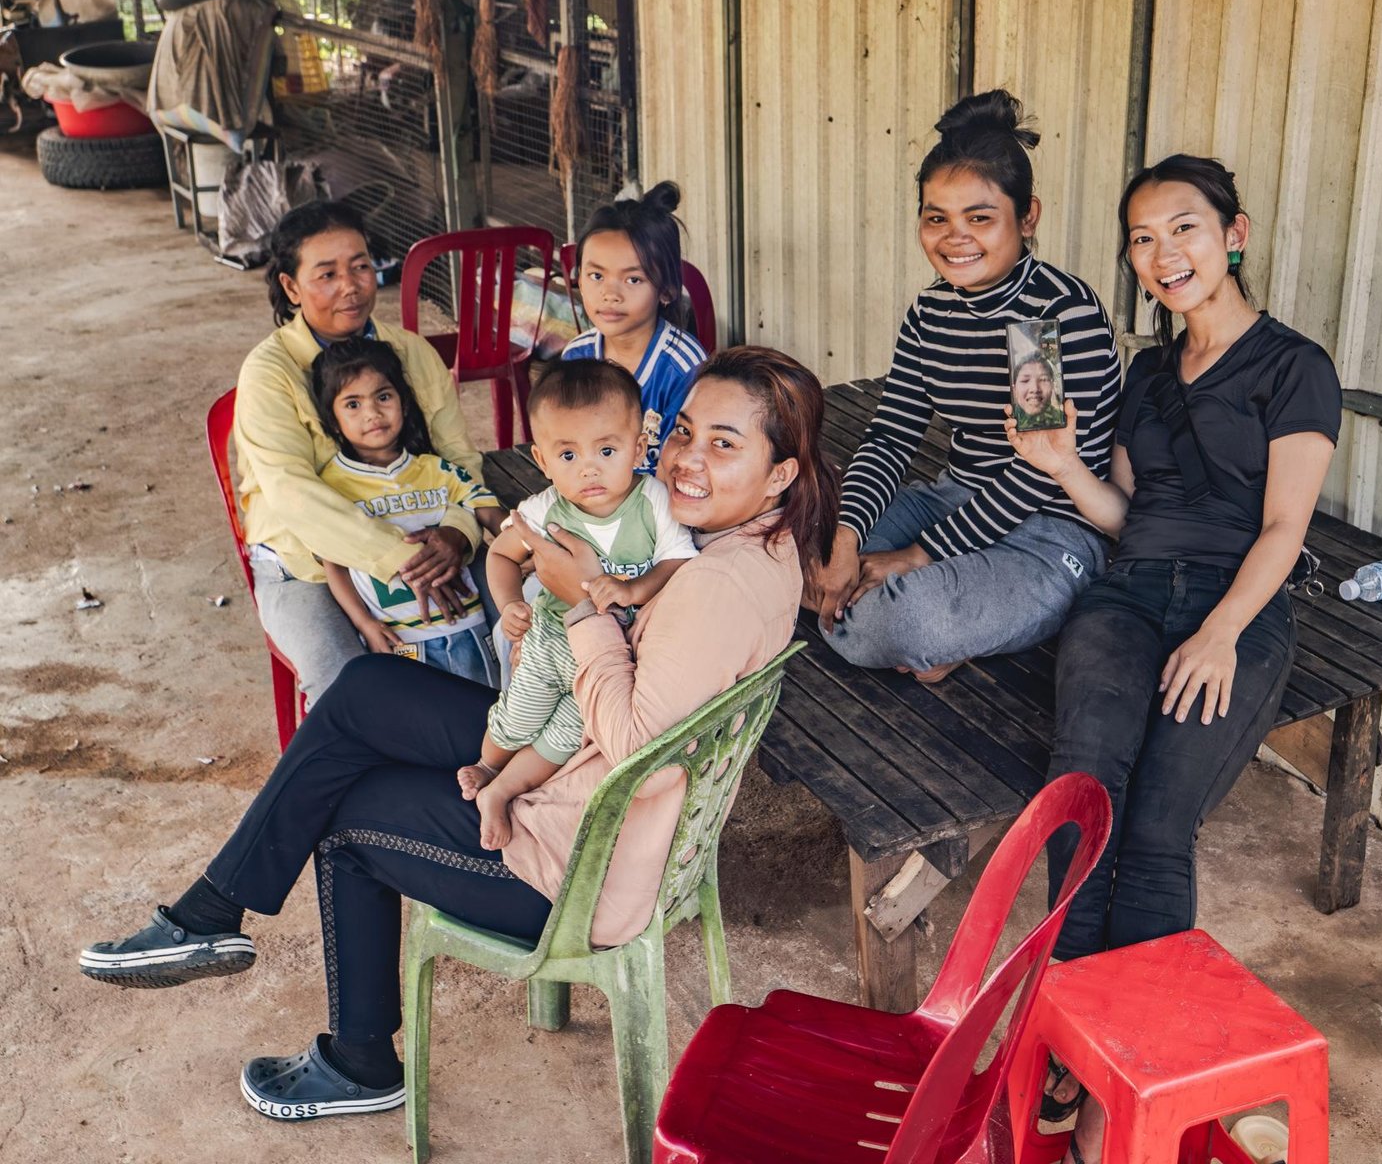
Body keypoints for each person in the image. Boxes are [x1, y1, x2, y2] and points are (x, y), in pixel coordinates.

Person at [78, 346, 840, 1123]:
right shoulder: (751, 542)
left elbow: (638, 750)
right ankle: (209, 913)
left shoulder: (718, 584)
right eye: (682, 431)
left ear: (781, 473)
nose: (687, 460)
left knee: (343, 814)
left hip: (577, 856)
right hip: (572, 763)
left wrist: (581, 609)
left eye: (724, 444)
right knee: (368, 689)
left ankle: (359, 1061)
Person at [1009, 155, 1341, 1163]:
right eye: (1143, 239)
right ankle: (1074, 1049)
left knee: (1156, 829)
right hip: (1126, 599)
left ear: (1232, 235)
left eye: (1184, 229)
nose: (1164, 255)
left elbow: (1284, 528)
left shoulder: (1295, 368)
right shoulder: (1146, 374)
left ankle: (1136, 1070)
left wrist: (1221, 631)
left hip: (1236, 610)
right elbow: (1127, 517)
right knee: (1083, 791)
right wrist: (1062, 463)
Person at [809, 90, 1121, 683]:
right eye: (936, 217)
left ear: (1027, 217)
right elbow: (892, 434)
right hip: (954, 499)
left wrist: (917, 557)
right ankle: (938, 621)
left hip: (1046, 532)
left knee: (901, 620)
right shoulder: (931, 312)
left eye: (980, 217)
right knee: (799, 556)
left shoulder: (1048, 316)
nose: (955, 238)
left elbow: (1038, 471)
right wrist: (848, 539)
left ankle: (935, 622)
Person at [235, 200, 503, 704]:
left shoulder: (411, 355)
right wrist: (403, 559)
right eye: (327, 274)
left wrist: (458, 532)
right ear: (291, 287)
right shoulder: (268, 372)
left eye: (360, 265)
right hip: (309, 564)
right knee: (347, 687)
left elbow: (459, 460)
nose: (351, 286)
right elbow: (295, 496)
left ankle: (512, 761)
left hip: (430, 534)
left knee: (530, 624)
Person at [459, 358, 697, 852]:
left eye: (606, 449)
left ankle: (501, 791)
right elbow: (501, 553)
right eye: (567, 456)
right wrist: (507, 604)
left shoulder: (652, 501)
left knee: (566, 735)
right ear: (541, 461)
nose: (588, 467)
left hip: (611, 658)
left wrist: (633, 590)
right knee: (519, 716)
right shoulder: (545, 509)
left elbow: (677, 560)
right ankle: (487, 765)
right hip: (549, 641)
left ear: (639, 446)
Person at [311, 338, 503, 685]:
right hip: (402, 642)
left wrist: (532, 545)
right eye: (352, 404)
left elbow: (488, 510)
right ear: (334, 421)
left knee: (488, 715)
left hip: (471, 628)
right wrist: (365, 624)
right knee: (419, 728)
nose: (372, 413)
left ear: (403, 402)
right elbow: (334, 565)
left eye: (383, 397)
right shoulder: (332, 488)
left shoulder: (438, 471)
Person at [563, 181, 707, 475]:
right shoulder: (576, 357)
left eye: (632, 280)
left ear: (666, 290)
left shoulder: (683, 367)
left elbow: (683, 470)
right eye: (595, 275)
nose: (610, 294)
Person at [1011, 353, 1062, 429]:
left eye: (1043, 379)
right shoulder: (1012, 420)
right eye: (1025, 380)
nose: (1034, 389)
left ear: (1052, 386)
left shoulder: (1060, 420)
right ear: (1014, 390)